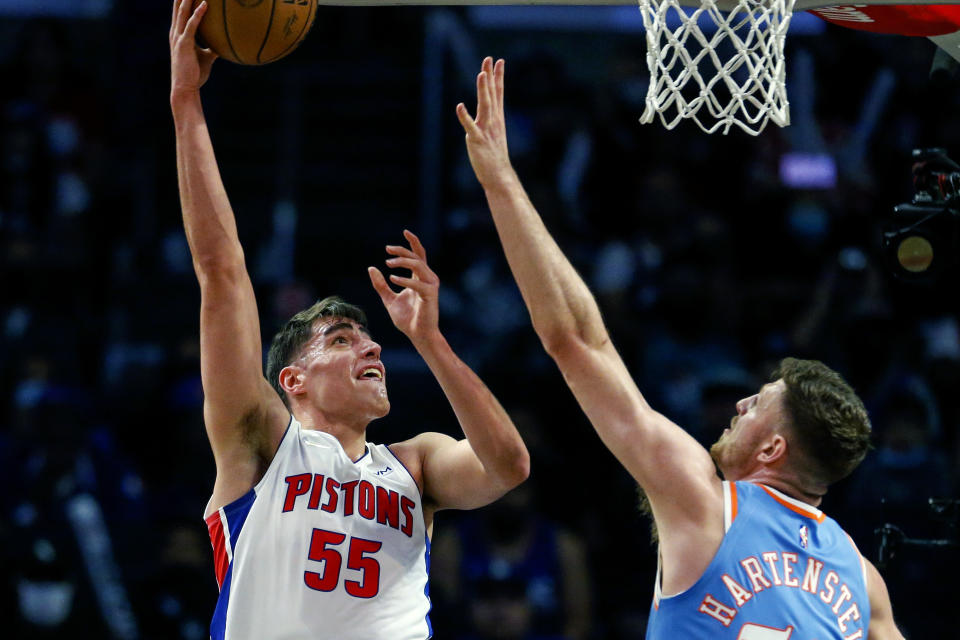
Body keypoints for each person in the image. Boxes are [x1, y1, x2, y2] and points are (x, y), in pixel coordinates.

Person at [456, 56, 906, 639]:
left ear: (772, 447)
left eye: (757, 402)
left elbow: (574, 341)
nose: (740, 405)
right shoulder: (862, 580)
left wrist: (502, 183)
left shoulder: (703, 501)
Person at [169, 5, 530, 639]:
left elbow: (508, 467)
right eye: (341, 340)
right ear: (293, 380)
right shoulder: (260, 442)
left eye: (370, 339)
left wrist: (431, 340)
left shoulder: (414, 467)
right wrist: (186, 105)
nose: (371, 348)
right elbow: (222, 275)